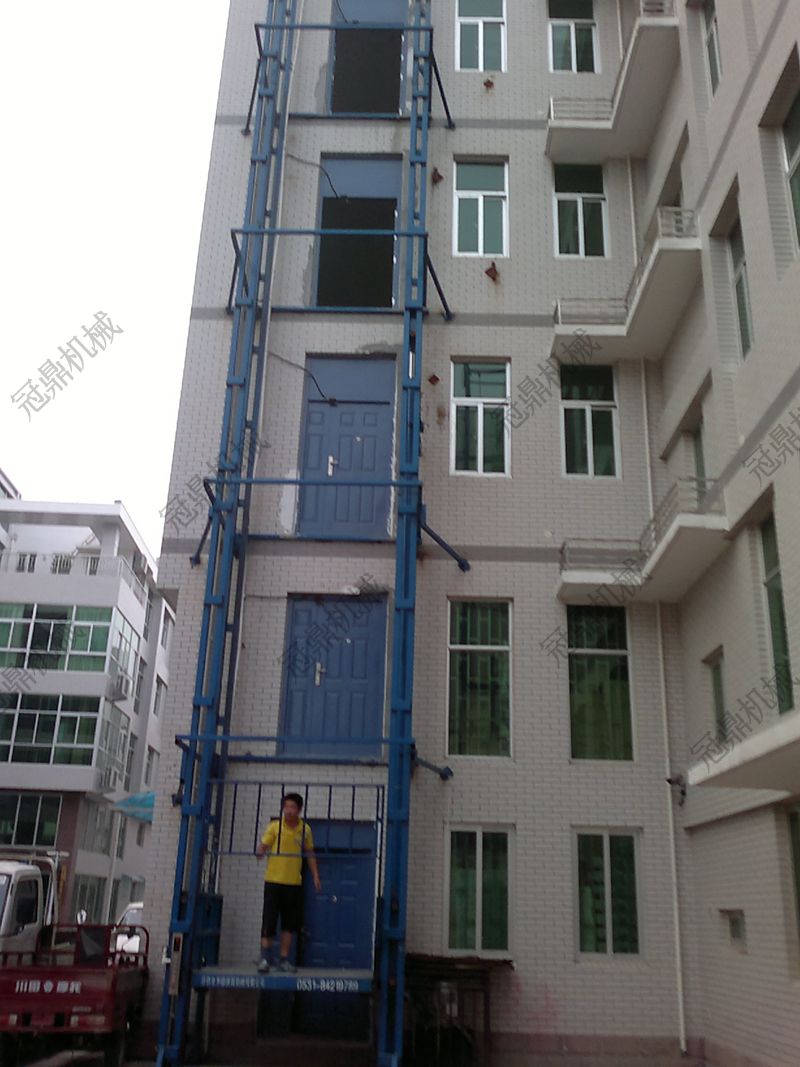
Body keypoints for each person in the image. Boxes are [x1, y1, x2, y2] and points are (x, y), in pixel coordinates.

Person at [255, 792, 321, 973]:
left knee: (289, 924)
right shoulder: (275, 827)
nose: (289, 811)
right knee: (269, 920)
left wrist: (315, 875)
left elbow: (310, 853)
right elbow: (263, 846)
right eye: (286, 807)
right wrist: (260, 851)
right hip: (273, 880)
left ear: (299, 809)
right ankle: (265, 958)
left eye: (292, 807)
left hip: (293, 883)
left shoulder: (305, 830)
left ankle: (283, 959)